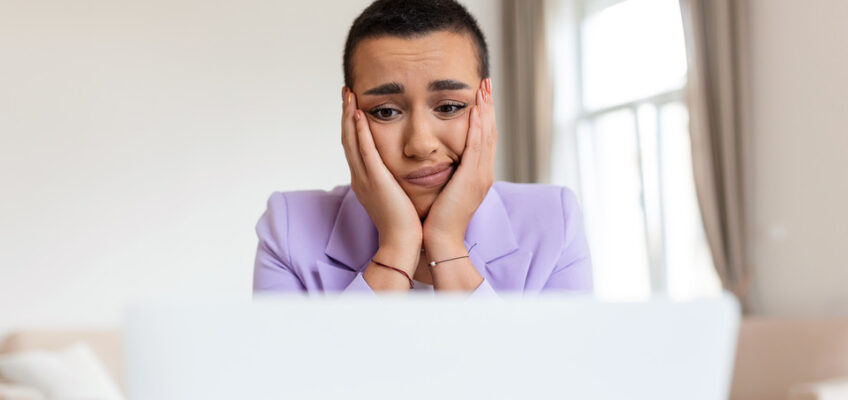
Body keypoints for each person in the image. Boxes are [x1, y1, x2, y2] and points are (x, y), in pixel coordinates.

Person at [253, 0, 592, 296]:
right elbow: (299, 371)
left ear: (485, 109)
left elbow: (544, 371)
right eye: (385, 111)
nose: (420, 144)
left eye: (448, 107)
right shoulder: (287, 227)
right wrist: (396, 245)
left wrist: (446, 244)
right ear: (349, 114)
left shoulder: (554, 222)